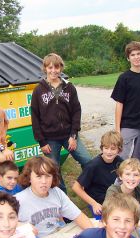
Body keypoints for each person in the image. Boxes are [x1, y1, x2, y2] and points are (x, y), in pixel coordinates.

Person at [15, 156, 95, 238]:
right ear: (29, 177)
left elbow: (79, 217)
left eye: (48, 176)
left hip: (59, 231)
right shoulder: (18, 200)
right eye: (39, 176)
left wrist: (95, 235)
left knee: (100, 225)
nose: (44, 181)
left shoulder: (56, 192)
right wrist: (22, 226)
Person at [31, 53, 91, 193]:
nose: (53, 71)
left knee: (88, 161)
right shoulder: (38, 90)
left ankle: (86, 188)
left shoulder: (69, 87)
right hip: (50, 139)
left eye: (56, 67)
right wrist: (42, 141)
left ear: (61, 68)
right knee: (54, 170)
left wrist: (73, 135)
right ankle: (62, 198)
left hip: (68, 135)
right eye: (50, 67)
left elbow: (76, 111)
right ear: (45, 68)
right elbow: (34, 116)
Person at [72, 130, 123, 217]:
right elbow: (76, 187)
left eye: (113, 149)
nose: (109, 152)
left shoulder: (120, 162)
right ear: (102, 148)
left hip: (115, 197)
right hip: (98, 202)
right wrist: (94, 204)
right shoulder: (93, 166)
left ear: (119, 150)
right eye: (106, 148)